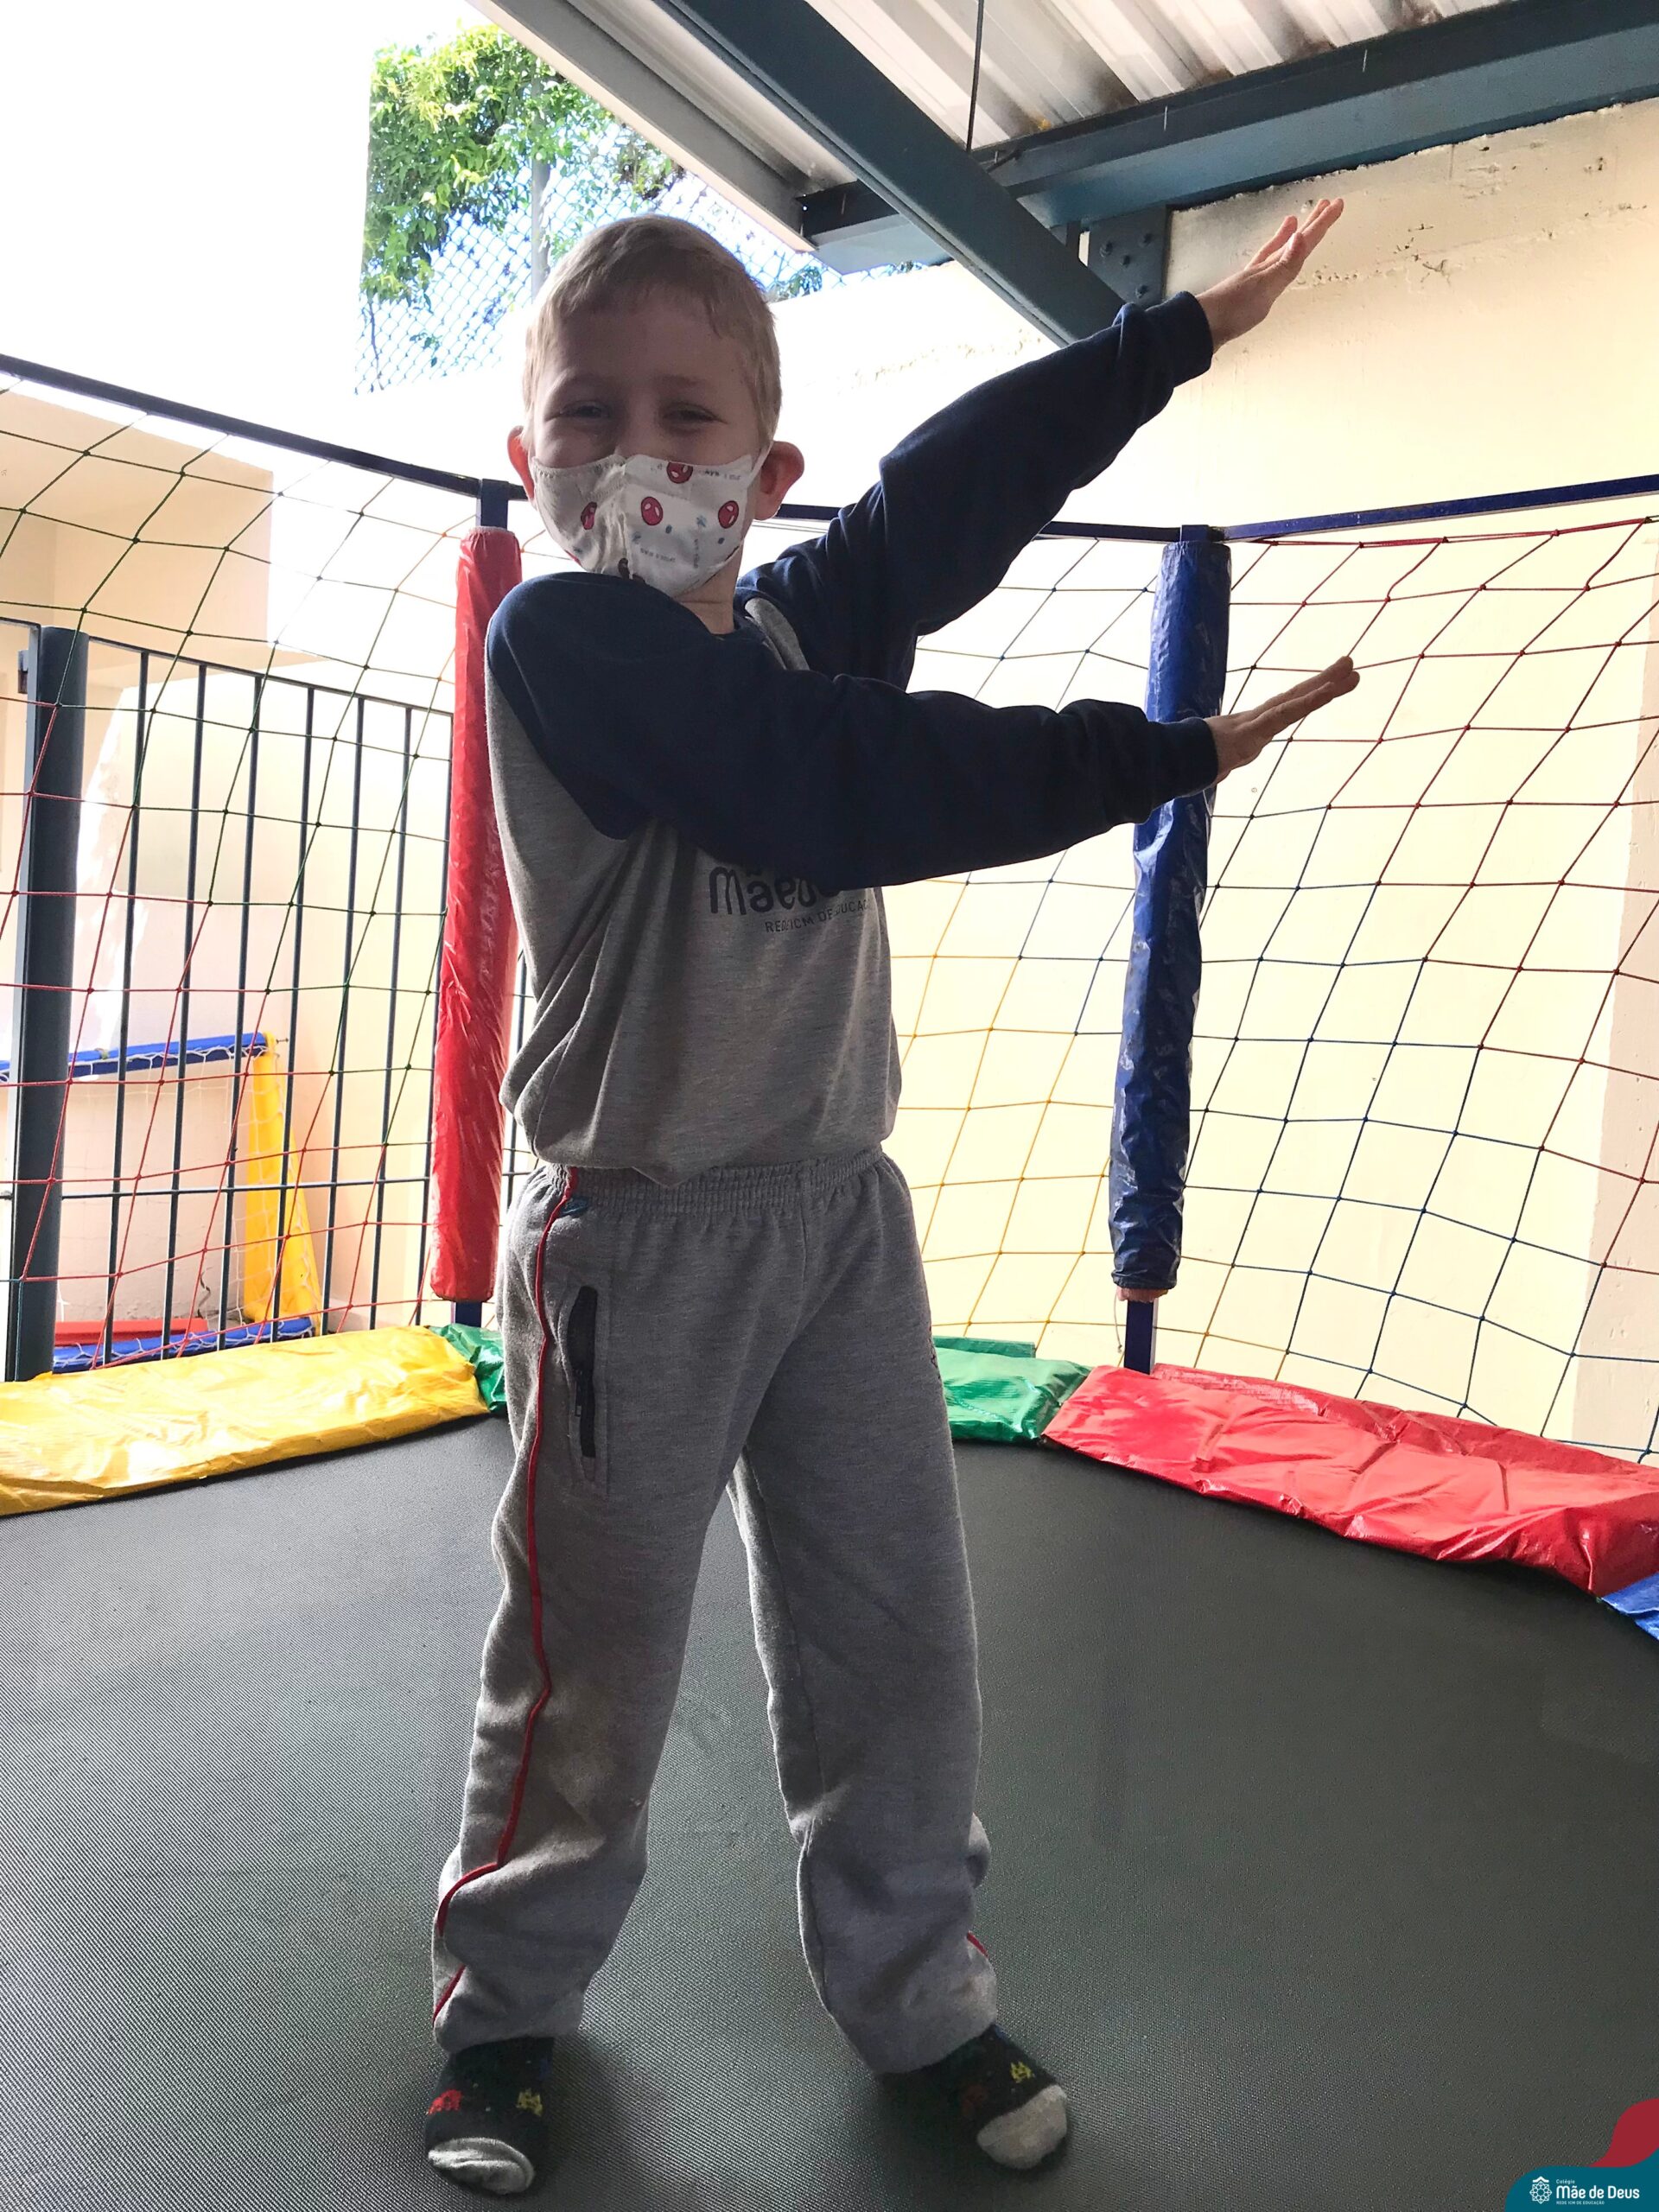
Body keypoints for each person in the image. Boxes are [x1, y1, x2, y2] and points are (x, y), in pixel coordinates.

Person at [423, 200, 1356, 2196]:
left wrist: (1176, 334)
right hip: (633, 1234)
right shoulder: (562, 644)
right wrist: (1156, 752)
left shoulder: (792, 615)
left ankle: (921, 1996)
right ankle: (502, 2013)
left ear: (767, 471)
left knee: (895, 1643)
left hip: (836, 1218)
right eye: (590, 415)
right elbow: (814, 778)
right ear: (531, 458)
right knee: (594, 1659)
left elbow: (945, 501)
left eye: (689, 418)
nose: (638, 456)